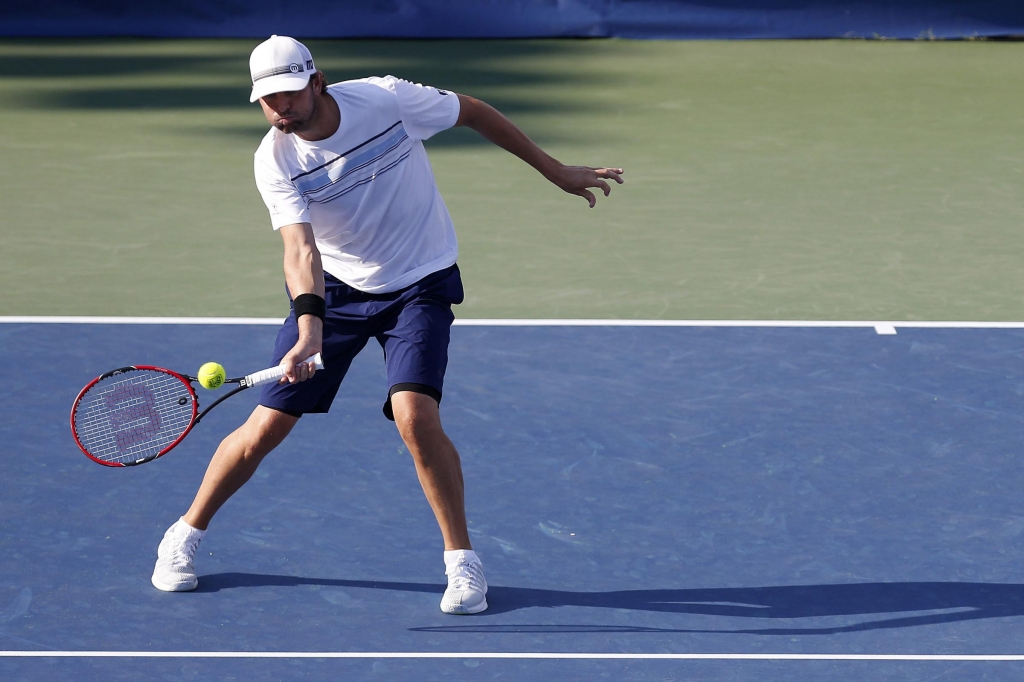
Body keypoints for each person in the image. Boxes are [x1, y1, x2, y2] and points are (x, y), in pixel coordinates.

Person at [150, 35, 623, 614]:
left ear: (316, 81)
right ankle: (184, 535)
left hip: (420, 280)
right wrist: (310, 328)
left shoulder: (386, 99)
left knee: (414, 416)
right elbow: (300, 252)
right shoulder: (273, 160)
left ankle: (462, 563)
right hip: (339, 294)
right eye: (268, 101)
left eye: (290, 95)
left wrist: (555, 170)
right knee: (267, 425)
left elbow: (471, 110)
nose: (281, 111)